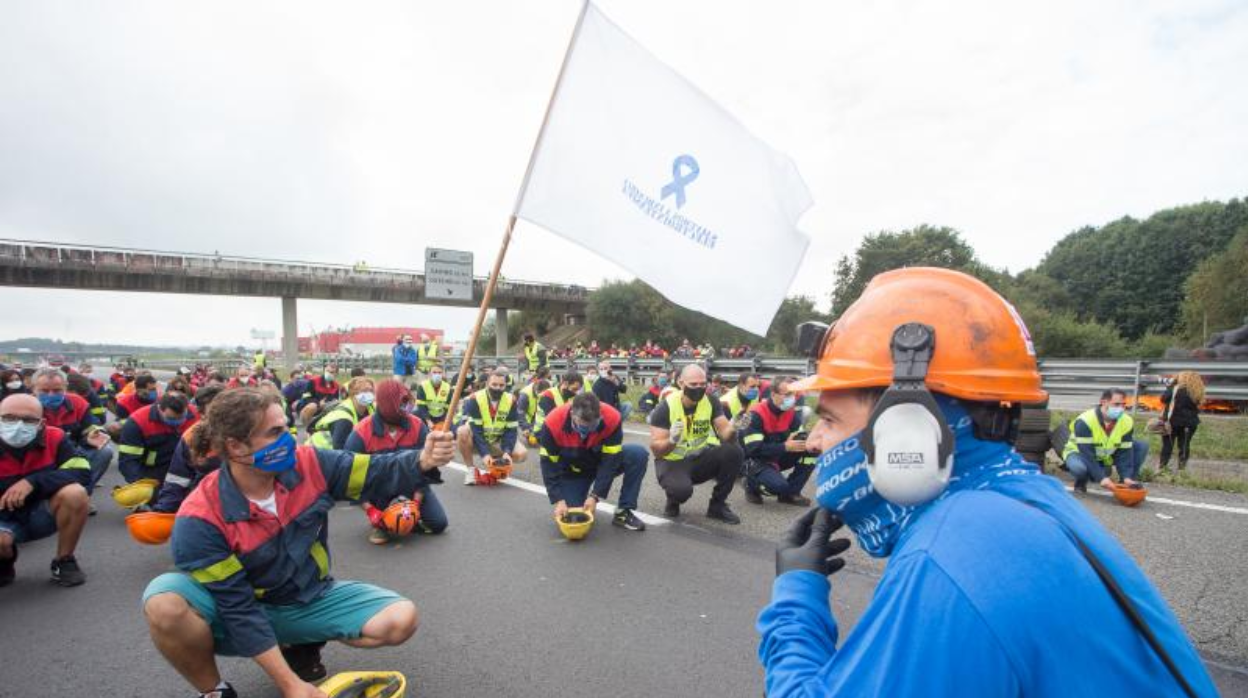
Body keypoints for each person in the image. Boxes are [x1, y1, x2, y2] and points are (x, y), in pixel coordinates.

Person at [756, 267, 1216, 697]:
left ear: (909, 428)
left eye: (830, 419)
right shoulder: (1017, 499)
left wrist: (796, 596)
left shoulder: (955, 547)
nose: (815, 440)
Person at [142, 388, 454, 698]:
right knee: (164, 603)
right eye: (275, 432)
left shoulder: (309, 463)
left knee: (400, 619)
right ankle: (214, 691)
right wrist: (290, 686)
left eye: (288, 427)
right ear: (236, 447)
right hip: (241, 612)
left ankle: (298, 643)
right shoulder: (199, 518)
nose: (290, 439)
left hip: (308, 596)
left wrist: (423, 460)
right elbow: (238, 609)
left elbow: (373, 471)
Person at [0, 393, 91, 587]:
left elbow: (82, 471)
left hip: (41, 512)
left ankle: (64, 560)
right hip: (3, 517)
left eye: (28, 420)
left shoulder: (55, 436)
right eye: (9, 418)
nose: (18, 425)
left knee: (75, 493)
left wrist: (33, 482)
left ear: (41, 423)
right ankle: (4, 559)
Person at [344, 379, 447, 544]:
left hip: (413, 484)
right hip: (378, 487)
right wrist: (369, 509)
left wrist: (416, 502)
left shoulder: (417, 425)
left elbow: (426, 468)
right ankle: (384, 522)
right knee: (382, 530)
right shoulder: (361, 433)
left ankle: (403, 520)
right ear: (387, 405)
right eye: (402, 404)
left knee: (439, 524)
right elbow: (350, 477)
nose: (407, 408)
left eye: (407, 403)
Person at [647, 364, 742, 524]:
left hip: (699, 458)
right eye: (693, 384)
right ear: (680, 383)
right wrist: (672, 440)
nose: (699, 388)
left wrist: (734, 427)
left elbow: (725, 434)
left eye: (703, 384)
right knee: (681, 491)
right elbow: (657, 451)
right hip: (672, 461)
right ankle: (673, 499)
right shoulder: (665, 407)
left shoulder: (711, 401)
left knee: (734, 451)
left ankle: (717, 506)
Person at [540, 393, 647, 531]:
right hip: (573, 471)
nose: (586, 432)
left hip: (599, 463)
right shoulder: (552, 422)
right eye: (582, 426)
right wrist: (558, 500)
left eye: (592, 426)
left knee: (637, 454)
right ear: (572, 414)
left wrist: (595, 496)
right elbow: (548, 465)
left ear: (600, 415)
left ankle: (623, 512)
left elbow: (611, 461)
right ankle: (575, 495)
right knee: (574, 517)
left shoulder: (612, 417)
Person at [33, 368, 114, 494]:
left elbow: (92, 425)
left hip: (72, 453)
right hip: (39, 457)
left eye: (57, 390)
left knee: (104, 452)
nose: (51, 395)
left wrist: (92, 435)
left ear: (65, 387)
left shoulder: (78, 402)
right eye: (44, 391)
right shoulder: (24, 406)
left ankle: (82, 494)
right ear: (34, 389)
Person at [740, 376, 816, 507]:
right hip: (756, 460)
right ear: (773, 394)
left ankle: (790, 493)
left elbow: (799, 435)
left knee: (811, 450)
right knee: (777, 486)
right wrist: (785, 447)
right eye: (787, 395)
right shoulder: (755, 414)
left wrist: (809, 440)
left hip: (777, 455)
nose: (791, 399)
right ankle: (750, 484)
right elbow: (753, 449)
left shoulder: (790, 413)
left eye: (793, 394)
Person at [153, 385, 226, 514]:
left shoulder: (253, 434)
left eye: (225, 411)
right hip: (206, 507)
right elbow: (178, 477)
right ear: (202, 414)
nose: (222, 418)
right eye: (214, 413)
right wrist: (163, 510)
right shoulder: (191, 437)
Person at [1061, 388, 1148, 492]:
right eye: (1116, 404)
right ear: (1103, 402)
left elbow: (1125, 452)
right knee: (1080, 469)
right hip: (1079, 453)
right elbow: (1087, 454)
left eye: (1123, 405)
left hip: (1105, 455)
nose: (1121, 408)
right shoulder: (1085, 421)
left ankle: (1126, 483)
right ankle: (1081, 482)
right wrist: (1102, 478)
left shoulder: (1126, 421)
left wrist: (1126, 476)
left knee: (1141, 446)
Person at [118, 392, 200, 501]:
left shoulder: (197, 416)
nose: (177, 422)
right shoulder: (138, 421)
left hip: (188, 466)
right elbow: (128, 461)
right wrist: (140, 484)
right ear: (159, 409)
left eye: (181, 417)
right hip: (154, 470)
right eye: (171, 418)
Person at [458, 368, 527, 485]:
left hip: (497, 439)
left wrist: (507, 452)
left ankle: (498, 463)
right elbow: (477, 431)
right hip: (477, 439)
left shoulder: (511, 400)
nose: (497, 388)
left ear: (506, 386)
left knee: (521, 454)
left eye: (501, 385)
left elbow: (511, 430)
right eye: (494, 384)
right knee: (462, 431)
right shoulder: (475, 399)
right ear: (487, 384)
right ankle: (470, 470)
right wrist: (485, 455)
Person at [307, 377, 375, 450]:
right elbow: (340, 453)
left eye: (371, 390)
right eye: (364, 391)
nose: (369, 394)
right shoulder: (343, 419)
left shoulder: (371, 409)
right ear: (353, 394)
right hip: (318, 453)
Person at [1159, 371, 1205, 473]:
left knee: (1167, 446)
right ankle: (1182, 469)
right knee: (1184, 446)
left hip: (1172, 422)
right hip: (1190, 423)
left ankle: (1162, 468)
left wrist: (1169, 386)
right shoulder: (1197, 391)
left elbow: (1163, 399)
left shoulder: (1175, 389)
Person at [534, 371, 583, 436]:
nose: (575, 392)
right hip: (542, 432)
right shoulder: (548, 395)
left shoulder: (572, 397)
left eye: (577, 390)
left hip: (558, 431)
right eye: (574, 389)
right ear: (565, 384)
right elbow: (553, 420)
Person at [413, 363, 451, 428]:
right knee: (414, 416)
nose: (437, 375)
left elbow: (448, 407)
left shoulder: (447, 387)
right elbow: (421, 406)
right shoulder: (423, 386)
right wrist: (428, 421)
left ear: (443, 374)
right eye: (434, 372)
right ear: (429, 374)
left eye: (439, 373)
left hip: (441, 416)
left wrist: (443, 421)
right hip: (426, 415)